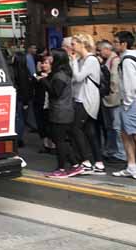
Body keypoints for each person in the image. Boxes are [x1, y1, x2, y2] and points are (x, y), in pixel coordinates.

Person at [40, 49, 83, 177]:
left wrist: (43, 80)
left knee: (59, 141)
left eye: (52, 57)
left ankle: (61, 169)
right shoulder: (62, 73)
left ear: (57, 59)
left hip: (60, 112)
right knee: (59, 140)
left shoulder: (60, 75)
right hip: (63, 110)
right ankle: (75, 165)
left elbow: (55, 93)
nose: (49, 59)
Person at [70, 33, 106, 174]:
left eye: (74, 44)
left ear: (82, 44)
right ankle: (98, 163)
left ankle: (86, 162)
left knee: (76, 128)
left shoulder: (90, 60)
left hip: (86, 99)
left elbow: (78, 77)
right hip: (83, 97)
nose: (72, 47)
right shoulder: (83, 59)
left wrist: (73, 61)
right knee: (89, 131)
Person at [113, 31, 136, 178]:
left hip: (131, 103)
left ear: (124, 44)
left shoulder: (127, 60)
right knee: (127, 135)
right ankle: (132, 166)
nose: (113, 44)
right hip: (132, 102)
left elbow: (130, 85)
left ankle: (132, 166)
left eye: (116, 42)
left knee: (129, 135)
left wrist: (126, 105)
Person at [99, 40, 126, 163]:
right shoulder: (110, 60)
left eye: (100, 50)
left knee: (115, 127)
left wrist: (112, 93)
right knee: (111, 127)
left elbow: (115, 80)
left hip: (112, 99)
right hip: (109, 98)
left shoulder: (114, 60)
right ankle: (112, 150)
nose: (99, 53)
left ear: (106, 49)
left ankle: (119, 153)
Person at [12, 51, 33, 147]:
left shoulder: (12, 71)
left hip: (16, 97)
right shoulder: (25, 72)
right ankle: (19, 138)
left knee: (17, 118)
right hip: (22, 98)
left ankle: (15, 138)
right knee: (20, 118)